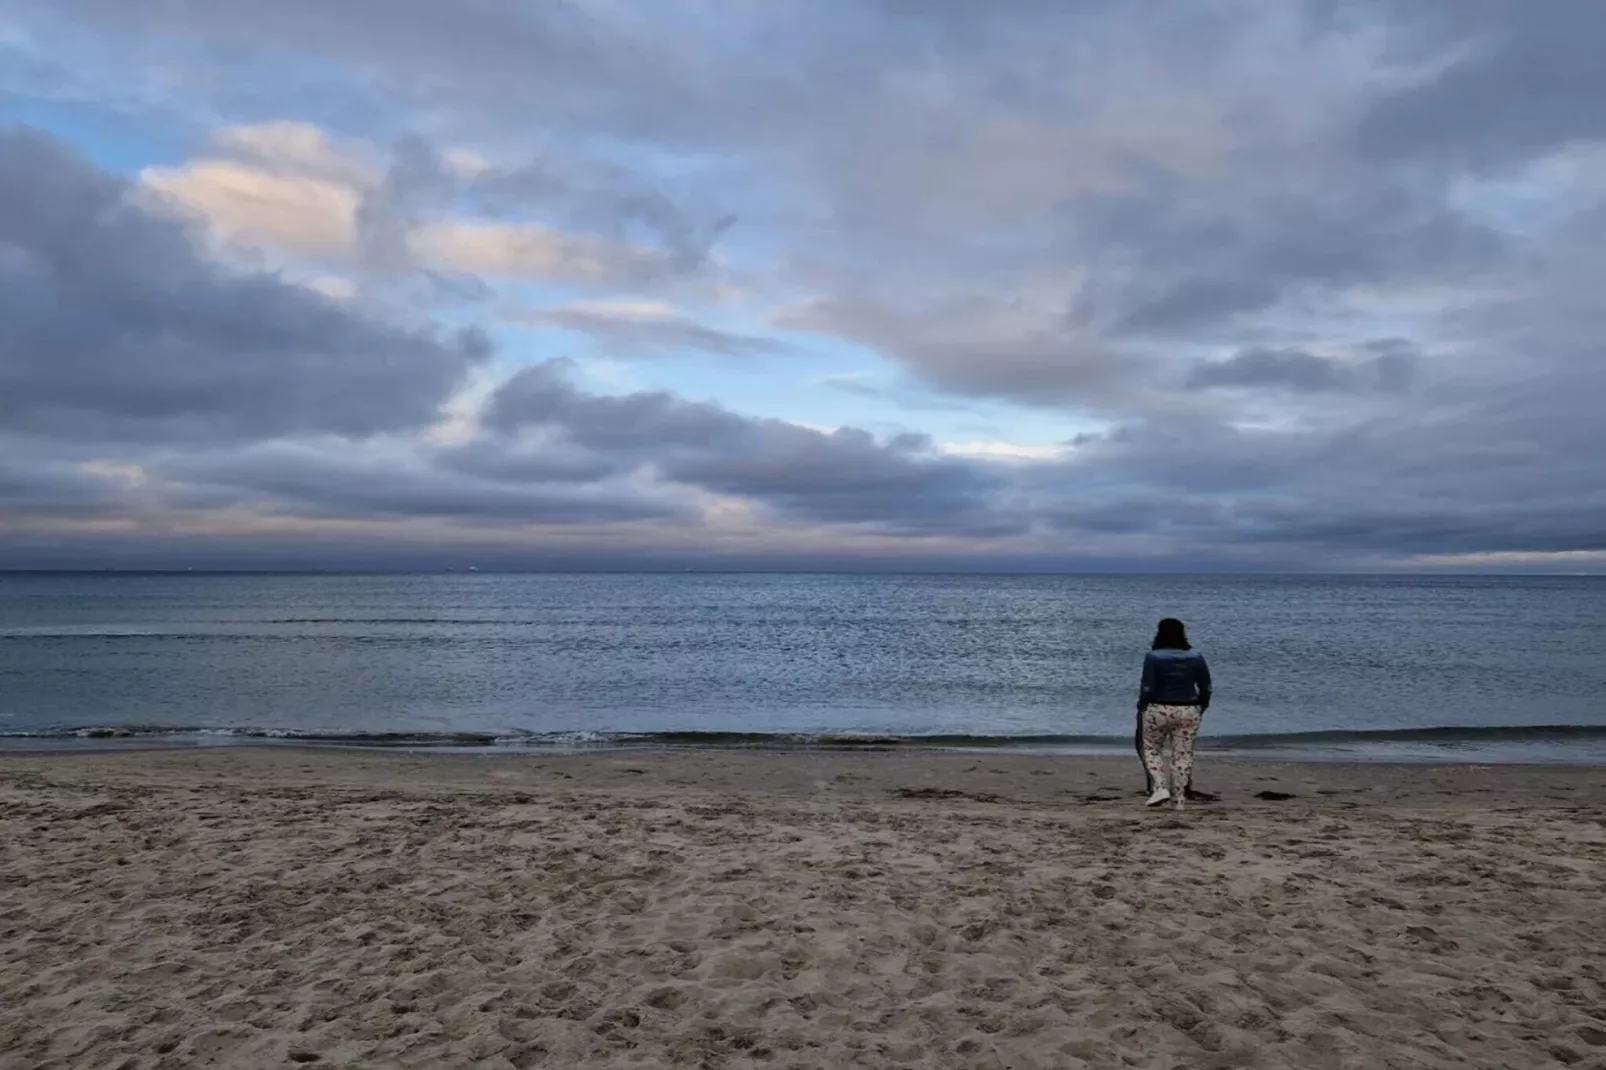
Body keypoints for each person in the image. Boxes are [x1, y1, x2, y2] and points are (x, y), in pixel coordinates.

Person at [1136, 618, 1212, 809]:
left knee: (1151, 749)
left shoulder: (1153, 657)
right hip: (1188, 708)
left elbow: (1147, 687)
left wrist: (1142, 705)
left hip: (1158, 707)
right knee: (1183, 755)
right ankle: (1179, 801)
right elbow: (1206, 686)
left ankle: (1160, 786)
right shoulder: (1196, 657)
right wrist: (1203, 705)